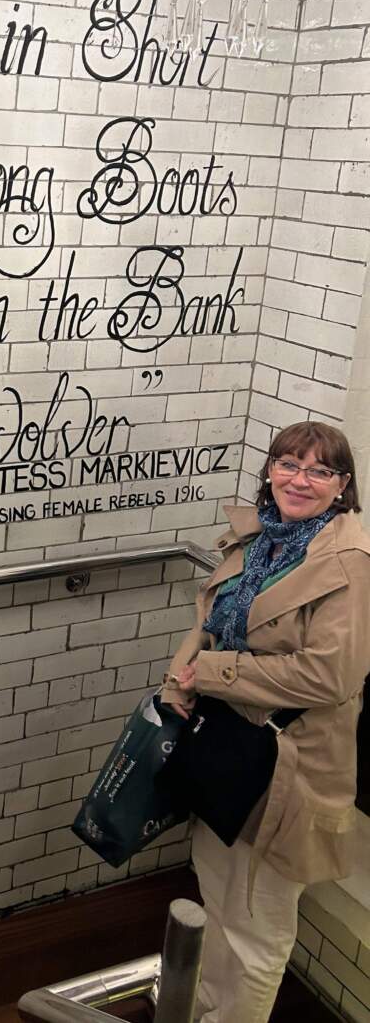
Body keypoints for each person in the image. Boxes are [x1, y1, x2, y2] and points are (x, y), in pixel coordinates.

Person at [161, 421, 370, 1023]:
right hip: (227, 746)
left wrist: (217, 675)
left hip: (288, 767)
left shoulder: (349, 563)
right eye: (288, 464)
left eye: (319, 470)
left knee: (257, 926)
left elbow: (331, 677)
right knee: (218, 898)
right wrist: (179, 679)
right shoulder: (262, 538)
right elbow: (210, 619)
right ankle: (201, 1008)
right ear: (270, 469)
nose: (299, 480)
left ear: (343, 485)